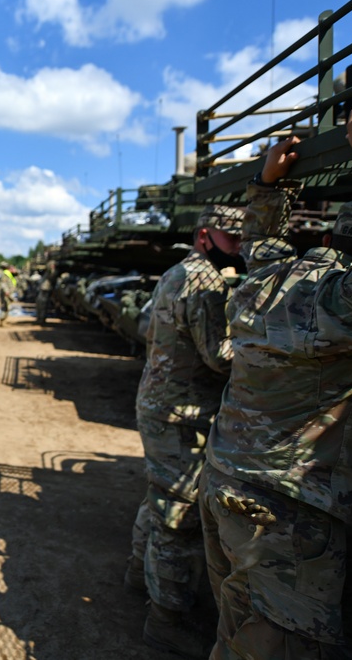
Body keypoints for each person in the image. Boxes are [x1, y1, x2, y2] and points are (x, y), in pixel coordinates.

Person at [200, 106, 352, 659]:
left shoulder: (275, 281)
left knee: (235, 630)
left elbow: (261, 243)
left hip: (226, 485)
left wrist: (266, 184)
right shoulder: (343, 306)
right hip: (285, 513)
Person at [124, 203, 245, 657]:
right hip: (182, 416)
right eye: (232, 240)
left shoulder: (179, 271)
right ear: (204, 237)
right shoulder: (206, 281)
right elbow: (221, 356)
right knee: (180, 518)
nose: (239, 250)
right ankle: (166, 619)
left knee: (160, 500)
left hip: (164, 407)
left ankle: (140, 576)